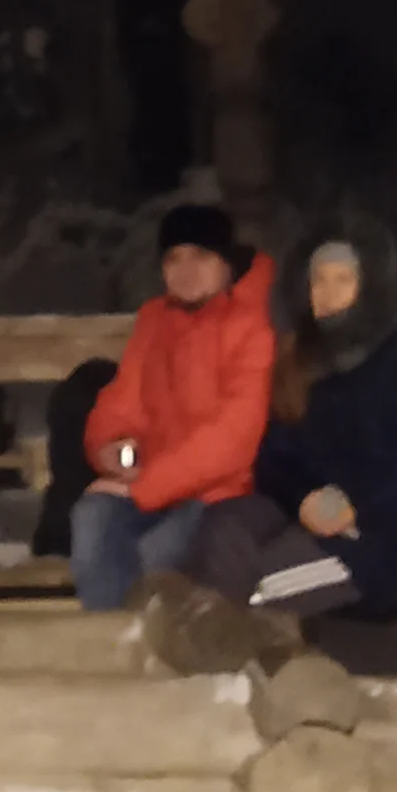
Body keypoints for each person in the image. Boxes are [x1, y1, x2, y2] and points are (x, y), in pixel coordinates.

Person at [252, 223, 397, 615]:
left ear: (369, 288)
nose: (328, 293)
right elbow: (275, 455)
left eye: (343, 280)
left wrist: (358, 504)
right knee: (230, 569)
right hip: (320, 527)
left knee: (256, 592)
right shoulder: (306, 357)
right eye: (318, 281)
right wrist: (303, 498)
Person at [73, 205, 276, 611]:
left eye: (200, 256)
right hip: (158, 488)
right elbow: (122, 402)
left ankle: (143, 640)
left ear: (226, 262)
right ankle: (106, 637)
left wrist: (145, 487)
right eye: (173, 258)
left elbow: (234, 438)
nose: (186, 270)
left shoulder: (255, 322)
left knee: (155, 552)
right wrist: (110, 449)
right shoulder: (156, 320)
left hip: (224, 493)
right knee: (93, 515)